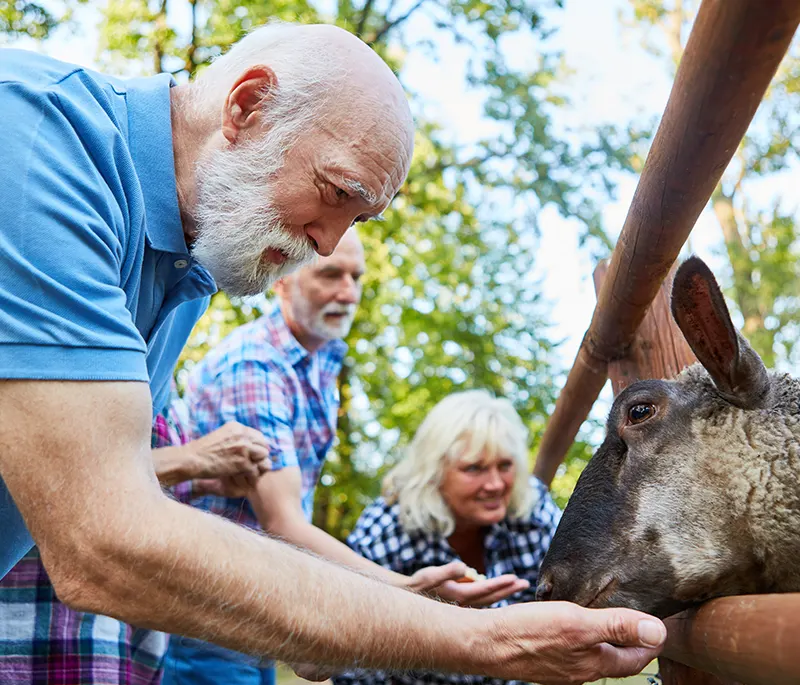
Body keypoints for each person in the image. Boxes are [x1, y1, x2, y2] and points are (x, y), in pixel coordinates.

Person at [0, 18, 666, 684]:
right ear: (246, 106)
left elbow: (99, 473)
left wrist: (382, 603)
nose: (327, 244)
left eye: (360, 221)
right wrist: (485, 638)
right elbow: (105, 538)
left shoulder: (188, 262)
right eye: (336, 193)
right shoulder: (37, 141)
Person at [161, 230, 529, 685]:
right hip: (204, 605)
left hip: (253, 600)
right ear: (281, 280)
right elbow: (282, 520)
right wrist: (402, 589)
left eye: (355, 277)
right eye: (331, 274)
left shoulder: (320, 362)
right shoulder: (256, 365)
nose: (348, 292)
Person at [0, 403, 270, 685]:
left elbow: (129, 500)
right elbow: (58, 476)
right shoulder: (56, 363)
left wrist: (200, 482)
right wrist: (189, 459)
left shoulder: (160, 382)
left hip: (122, 649)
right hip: (39, 645)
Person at [334, 390, 562, 685]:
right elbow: (347, 648)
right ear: (435, 471)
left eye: (505, 466)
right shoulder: (388, 526)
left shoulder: (533, 508)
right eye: (474, 468)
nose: (494, 484)